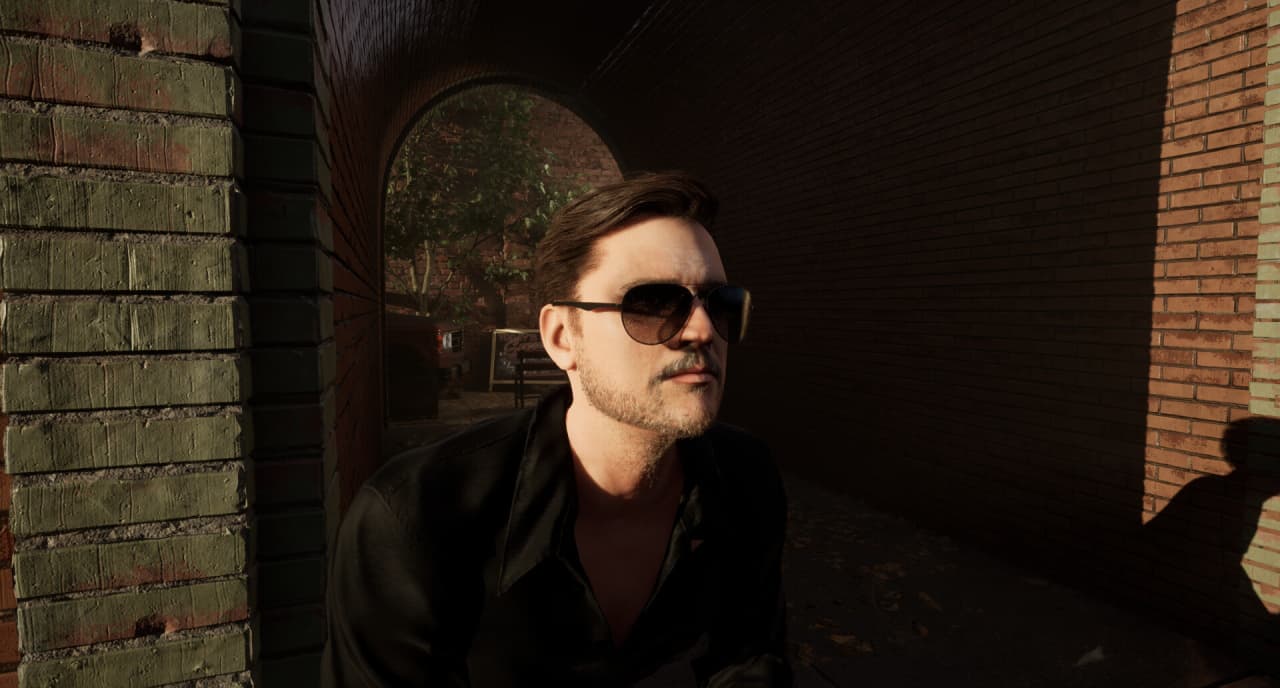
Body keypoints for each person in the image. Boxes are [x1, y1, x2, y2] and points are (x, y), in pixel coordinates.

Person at [321, 172, 792, 687]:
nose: (702, 331)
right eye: (653, 305)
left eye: (721, 304)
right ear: (563, 337)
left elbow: (750, 661)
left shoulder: (745, 478)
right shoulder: (415, 518)